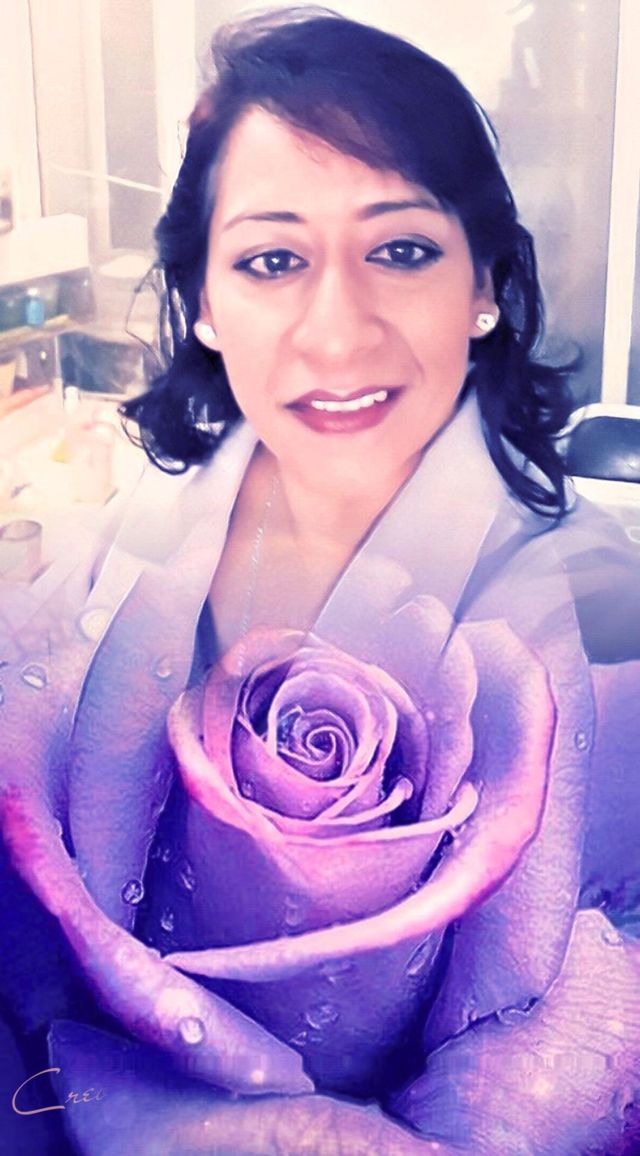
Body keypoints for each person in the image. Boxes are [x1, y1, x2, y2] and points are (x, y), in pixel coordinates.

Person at [1, 10, 639, 1155]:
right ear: (203, 298)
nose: (336, 333)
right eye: (271, 261)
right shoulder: (132, 534)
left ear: (486, 283)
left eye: (401, 251)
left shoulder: (601, 620)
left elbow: (569, 1048)